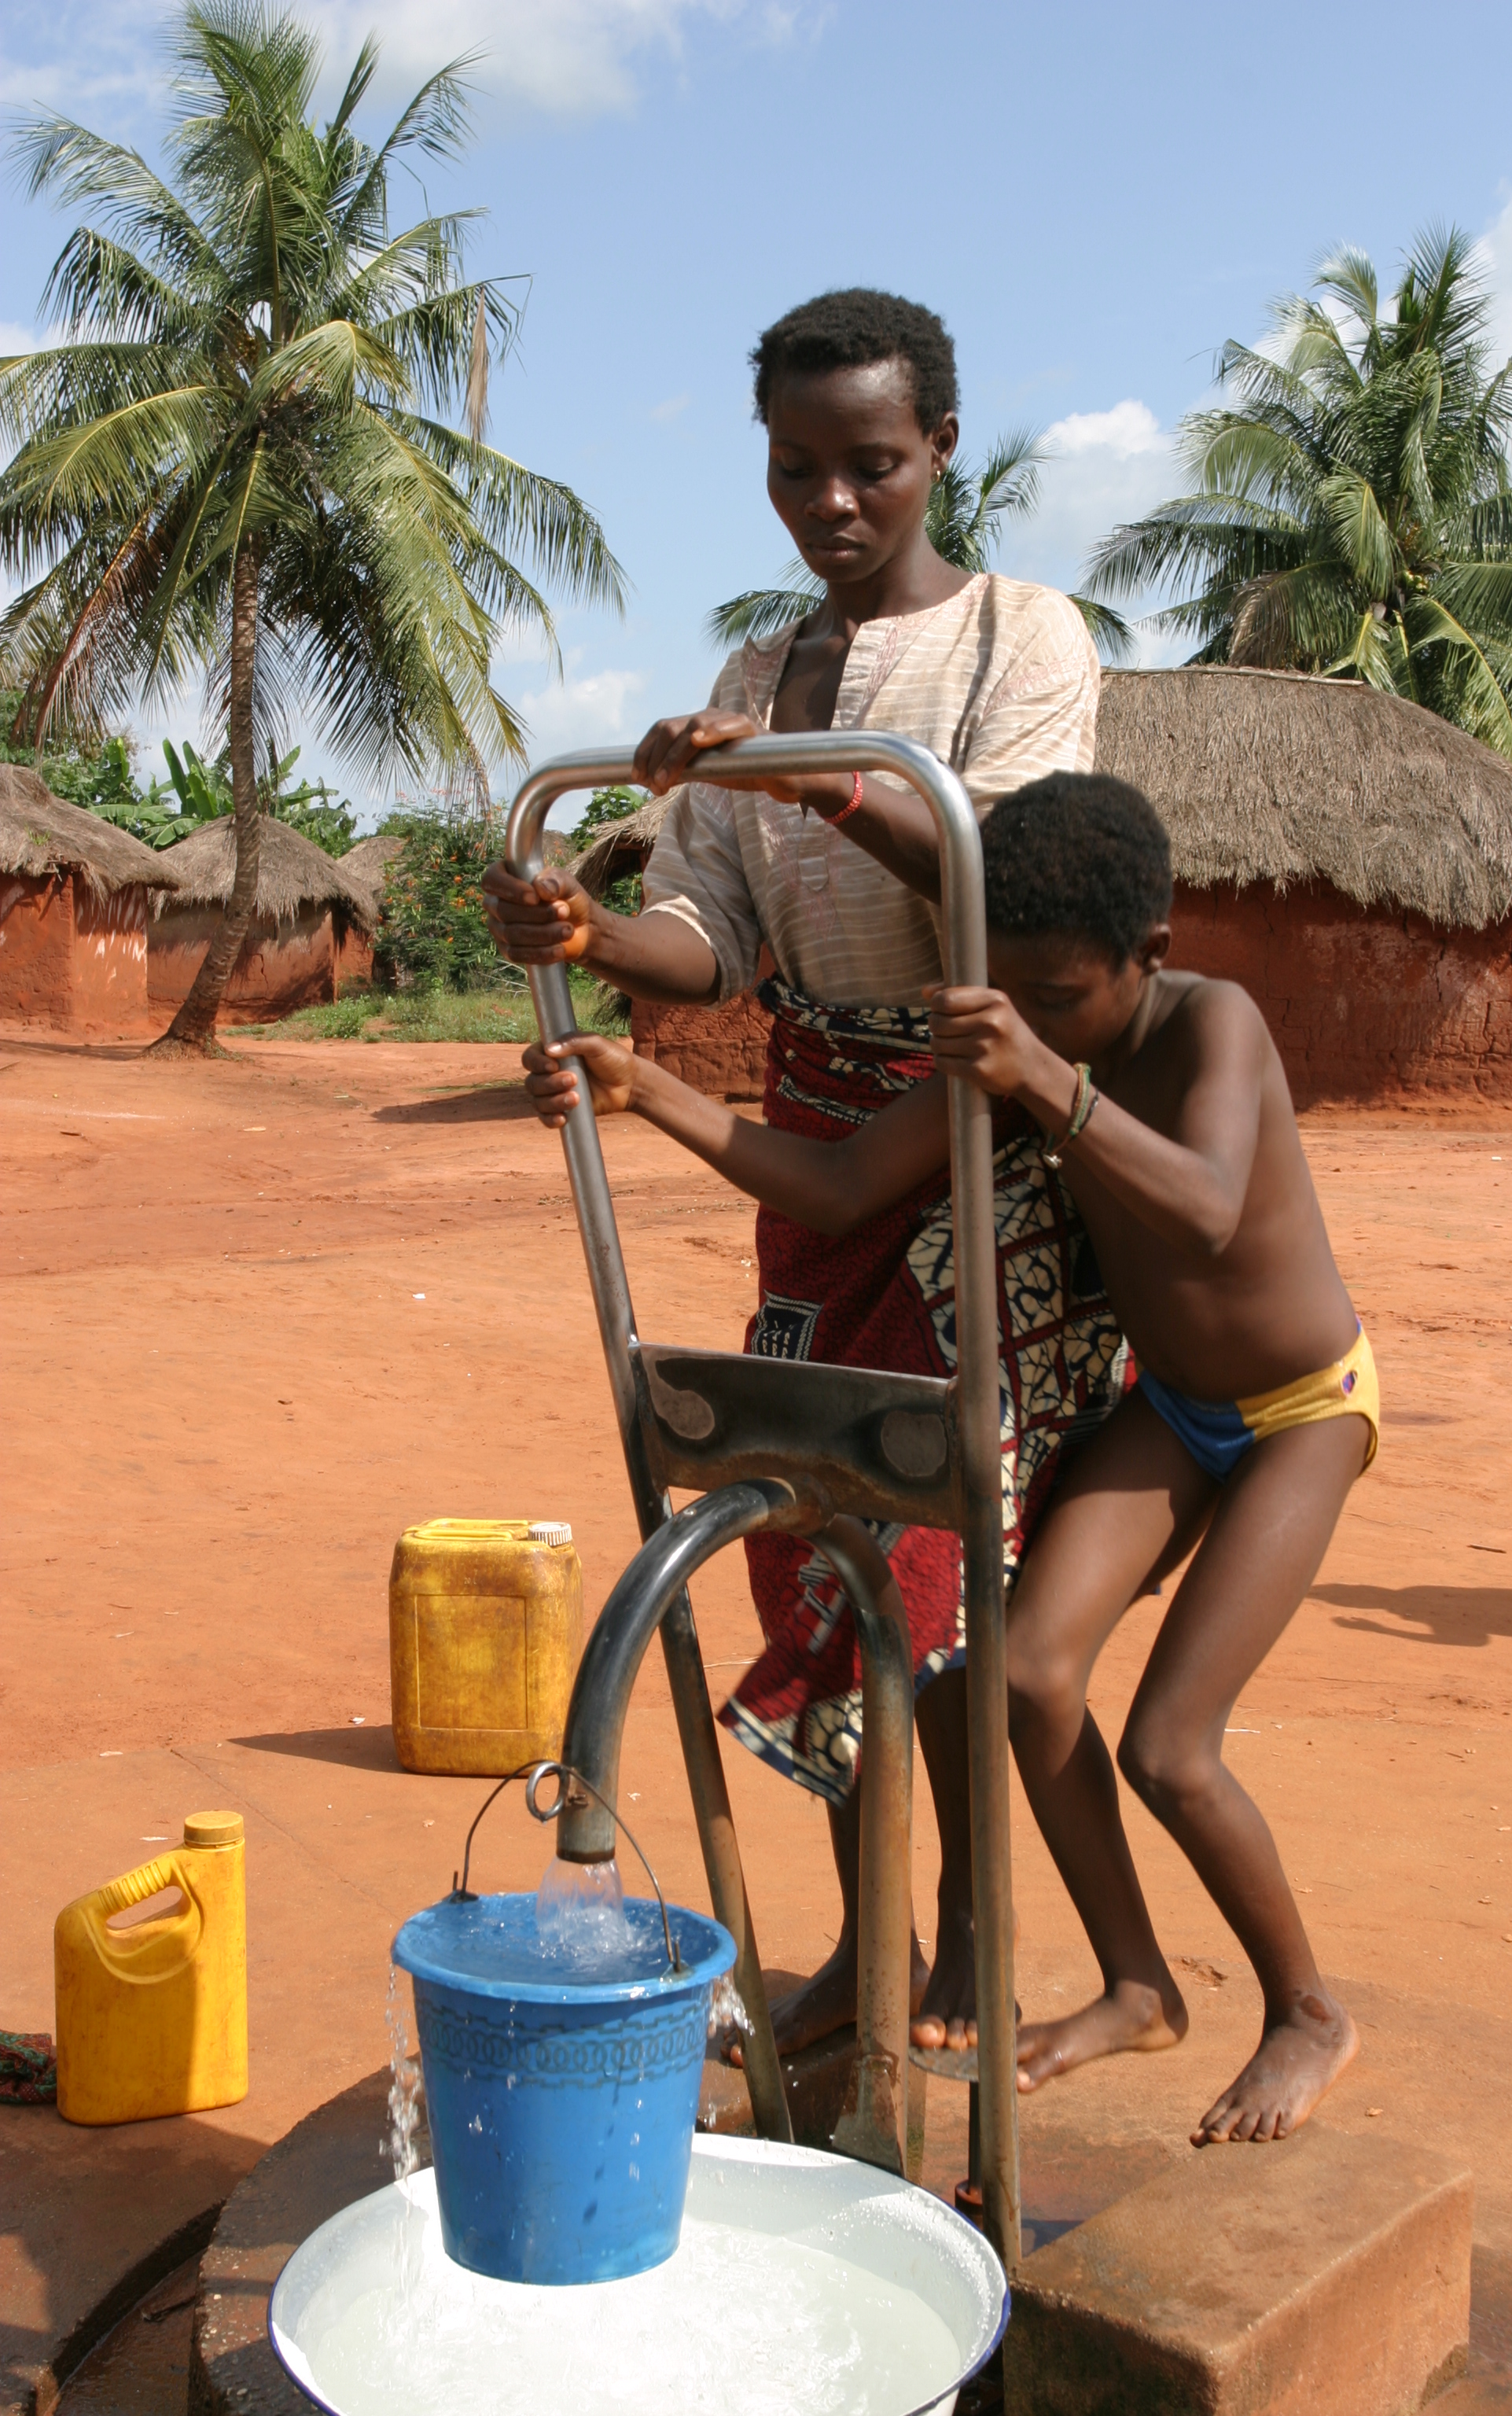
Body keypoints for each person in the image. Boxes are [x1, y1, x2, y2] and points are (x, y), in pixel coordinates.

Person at [524, 770, 1375, 2145]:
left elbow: (1213, 1211)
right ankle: (1139, 1984)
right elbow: (847, 1178)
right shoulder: (1036, 1045)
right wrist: (646, 1089)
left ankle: (1306, 2013)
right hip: (1176, 1406)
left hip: (1296, 1410)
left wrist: (1044, 1077)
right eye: (1008, 990)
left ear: (1146, 959)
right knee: (1027, 1677)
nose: (1031, 1017)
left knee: (1170, 1746)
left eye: (1060, 993)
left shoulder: (1216, 1023)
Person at [486, 289, 1124, 2062]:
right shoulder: (755, 685)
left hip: (975, 1131)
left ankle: (973, 1955)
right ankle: (876, 1938)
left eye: (870, 465)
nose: (832, 503)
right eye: (796, 471)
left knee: (955, 1582)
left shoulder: (1017, 640)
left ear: (938, 456)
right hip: (819, 1132)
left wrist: (828, 786)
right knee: (831, 1549)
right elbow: (718, 943)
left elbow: (1004, 865)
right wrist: (597, 926)